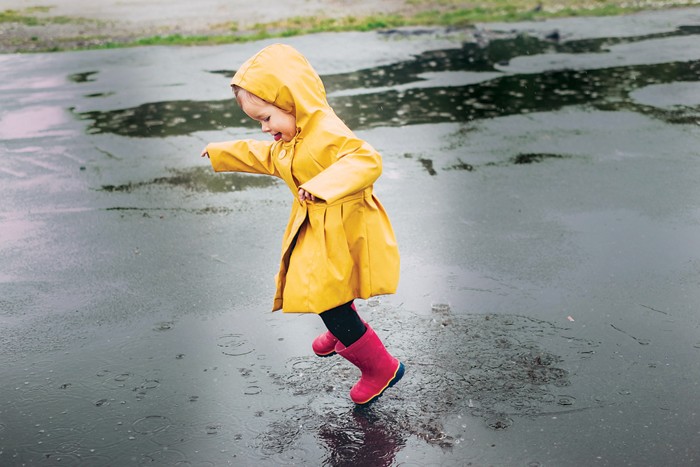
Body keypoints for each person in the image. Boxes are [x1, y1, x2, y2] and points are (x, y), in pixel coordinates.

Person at [200, 43, 403, 405]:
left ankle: (380, 367)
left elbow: (366, 159)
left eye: (266, 118)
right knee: (324, 287)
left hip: (343, 225)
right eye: (258, 122)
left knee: (324, 297)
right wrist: (222, 151)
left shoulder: (326, 131)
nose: (264, 129)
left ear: (294, 101)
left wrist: (322, 185)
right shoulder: (291, 137)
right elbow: (265, 157)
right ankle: (343, 331)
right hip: (319, 226)